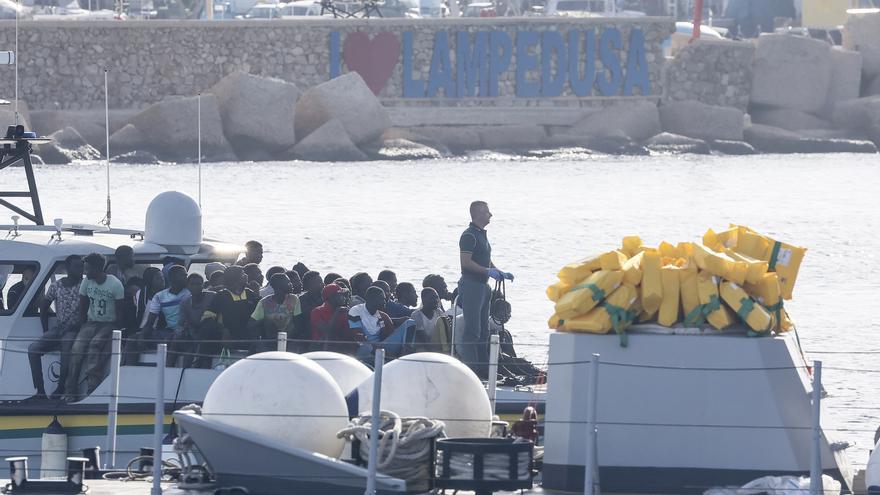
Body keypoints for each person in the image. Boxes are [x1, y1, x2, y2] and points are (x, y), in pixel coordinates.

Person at [458, 201, 514, 377]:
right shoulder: (469, 236)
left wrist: (497, 271)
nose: (491, 215)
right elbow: (466, 263)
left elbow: (485, 259)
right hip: (472, 285)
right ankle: (471, 369)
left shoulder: (481, 235)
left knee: (483, 330)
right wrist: (487, 271)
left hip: (483, 286)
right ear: (478, 213)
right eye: (487, 212)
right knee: (472, 330)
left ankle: (483, 368)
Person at [64, 253, 125, 401]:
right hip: (91, 322)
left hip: (109, 324)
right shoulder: (87, 282)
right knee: (77, 348)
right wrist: (81, 326)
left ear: (98, 268)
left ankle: (92, 388)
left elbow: (121, 312)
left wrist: (118, 330)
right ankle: (70, 390)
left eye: (88, 268)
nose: (85, 272)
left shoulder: (115, 284)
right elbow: (83, 306)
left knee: (95, 345)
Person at [27, 255, 84, 400]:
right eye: (77, 266)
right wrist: (46, 331)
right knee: (33, 349)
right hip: (59, 329)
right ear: (67, 268)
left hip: (76, 329)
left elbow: (87, 313)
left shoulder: (85, 285)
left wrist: (76, 325)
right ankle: (40, 390)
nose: (81, 269)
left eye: (82, 266)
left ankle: (60, 388)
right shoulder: (56, 286)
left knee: (66, 349)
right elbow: (44, 307)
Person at [123, 265, 191, 366]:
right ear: (173, 278)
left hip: (183, 333)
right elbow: (150, 322)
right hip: (167, 332)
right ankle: (127, 370)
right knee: (132, 339)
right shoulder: (160, 296)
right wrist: (142, 336)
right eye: (183, 275)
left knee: (175, 338)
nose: (186, 278)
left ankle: (167, 370)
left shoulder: (190, 293)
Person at [201, 265, 259, 355]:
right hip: (228, 338)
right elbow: (206, 319)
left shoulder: (250, 294)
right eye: (243, 274)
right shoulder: (220, 296)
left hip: (248, 338)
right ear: (235, 278)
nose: (246, 276)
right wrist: (222, 330)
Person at [348, 286, 411, 361]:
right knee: (367, 347)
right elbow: (360, 339)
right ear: (372, 299)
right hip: (364, 349)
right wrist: (386, 354)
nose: (385, 301)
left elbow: (388, 337)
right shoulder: (356, 311)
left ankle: (404, 357)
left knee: (410, 323)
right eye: (382, 299)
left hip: (380, 348)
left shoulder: (382, 316)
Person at [248, 273, 303, 352]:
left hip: (290, 340)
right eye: (288, 282)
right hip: (270, 341)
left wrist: (290, 340)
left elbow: (298, 323)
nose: (291, 284)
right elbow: (251, 324)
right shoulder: (264, 302)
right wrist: (259, 343)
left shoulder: (294, 299)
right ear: (278, 287)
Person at [180, 273, 216, 368]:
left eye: (198, 284)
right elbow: (186, 323)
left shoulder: (212, 297)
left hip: (212, 333)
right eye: (192, 284)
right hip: (194, 335)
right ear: (188, 286)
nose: (195, 286)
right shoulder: (185, 303)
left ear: (203, 285)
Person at [310, 283, 356, 353]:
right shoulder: (317, 312)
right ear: (332, 297)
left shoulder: (344, 311)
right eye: (340, 294)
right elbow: (327, 333)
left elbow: (347, 334)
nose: (344, 297)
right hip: (321, 350)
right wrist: (337, 313)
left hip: (341, 349)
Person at [410, 287, 451, 353]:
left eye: (436, 297)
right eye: (432, 298)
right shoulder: (416, 315)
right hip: (422, 345)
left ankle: (446, 350)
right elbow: (422, 336)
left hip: (436, 342)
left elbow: (445, 330)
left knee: (443, 320)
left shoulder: (438, 312)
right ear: (423, 299)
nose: (436, 300)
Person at [299, 271, 324, 339]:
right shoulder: (301, 299)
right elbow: (309, 314)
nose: (323, 284)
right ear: (309, 285)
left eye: (322, 281)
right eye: (319, 282)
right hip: (307, 334)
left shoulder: (325, 298)